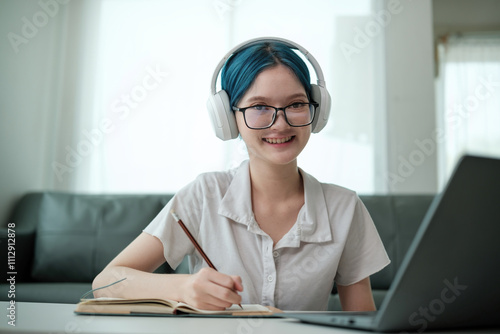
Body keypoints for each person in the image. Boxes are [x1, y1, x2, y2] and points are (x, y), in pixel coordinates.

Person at [92, 37, 390, 312]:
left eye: (296, 104)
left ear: (317, 108)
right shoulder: (204, 195)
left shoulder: (344, 208)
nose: (281, 123)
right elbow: (105, 283)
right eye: (259, 106)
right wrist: (182, 286)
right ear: (227, 118)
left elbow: (361, 320)